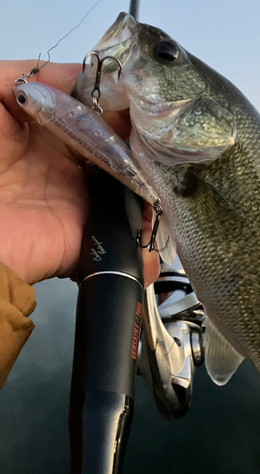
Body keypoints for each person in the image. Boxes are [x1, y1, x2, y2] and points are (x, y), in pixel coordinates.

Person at [0, 60, 160, 387]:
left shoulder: (43, 98)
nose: (23, 94)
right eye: (22, 100)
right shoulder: (43, 101)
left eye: (23, 100)